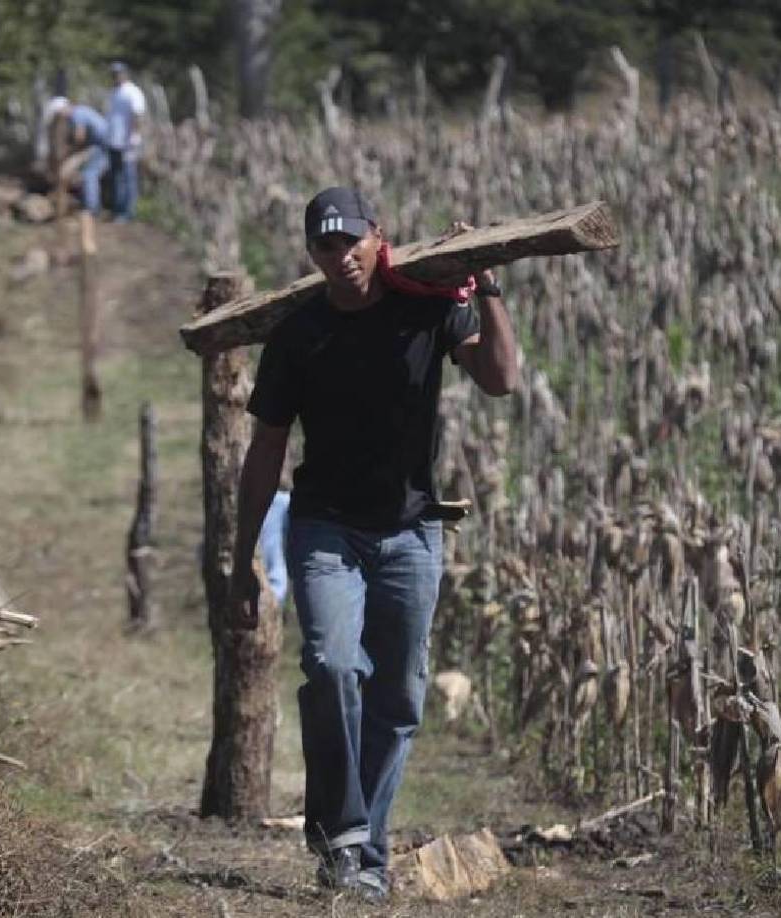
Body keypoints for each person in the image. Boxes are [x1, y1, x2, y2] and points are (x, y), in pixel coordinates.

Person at [227, 187, 518, 901]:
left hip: (412, 531)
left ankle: (363, 858)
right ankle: (346, 839)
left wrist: (488, 286)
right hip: (326, 529)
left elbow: (501, 379)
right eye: (325, 246)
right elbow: (265, 451)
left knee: (398, 696)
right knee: (331, 665)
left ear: (377, 237)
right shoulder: (299, 335)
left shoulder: (427, 307)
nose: (341, 257)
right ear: (312, 254)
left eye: (351, 241)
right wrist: (242, 560)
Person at [44, 98, 111, 215]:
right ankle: (90, 206)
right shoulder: (79, 112)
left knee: (89, 174)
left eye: (58, 114)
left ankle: (91, 209)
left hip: (100, 144)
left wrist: (72, 153)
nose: (60, 118)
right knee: (87, 172)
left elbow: (80, 137)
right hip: (99, 144)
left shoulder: (77, 114)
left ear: (62, 109)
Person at [104, 61, 147, 222]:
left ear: (125, 74)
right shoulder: (114, 92)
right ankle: (118, 209)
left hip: (128, 142)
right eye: (113, 74)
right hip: (114, 141)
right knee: (116, 176)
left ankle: (129, 211)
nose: (115, 76)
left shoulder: (132, 92)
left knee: (128, 176)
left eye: (118, 73)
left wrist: (135, 135)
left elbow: (138, 114)